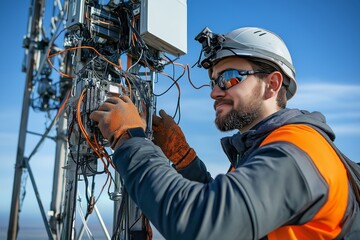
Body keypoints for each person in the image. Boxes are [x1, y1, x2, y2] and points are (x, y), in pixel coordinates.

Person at [90, 27, 360, 239]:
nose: (214, 91)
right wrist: (184, 159)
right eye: (213, 81)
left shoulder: (295, 153)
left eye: (229, 77)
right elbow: (228, 208)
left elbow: (200, 224)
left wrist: (129, 138)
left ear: (272, 84)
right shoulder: (261, 147)